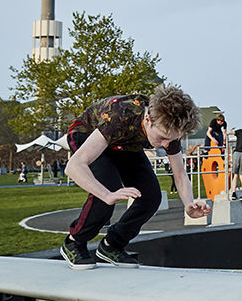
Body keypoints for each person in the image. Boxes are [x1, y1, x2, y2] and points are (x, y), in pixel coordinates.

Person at [61, 85, 211, 270]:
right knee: (108, 187)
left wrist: (188, 204)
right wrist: (106, 194)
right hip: (88, 133)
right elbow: (74, 166)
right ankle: (74, 241)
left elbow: (179, 173)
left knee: (151, 196)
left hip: (125, 143)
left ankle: (112, 244)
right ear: (148, 119)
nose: (164, 145)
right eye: (162, 138)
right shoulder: (120, 115)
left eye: (171, 140)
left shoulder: (170, 128)